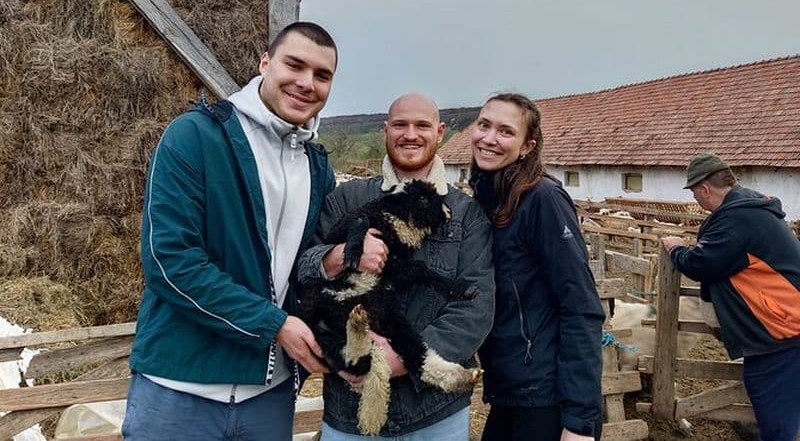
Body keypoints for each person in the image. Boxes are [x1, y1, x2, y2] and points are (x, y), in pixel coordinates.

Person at [123, 22, 339, 441]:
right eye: (294, 65)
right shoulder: (195, 136)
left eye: (322, 75)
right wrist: (274, 324)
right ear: (264, 63)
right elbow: (171, 263)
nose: (306, 83)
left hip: (269, 397)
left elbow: (308, 266)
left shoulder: (317, 165)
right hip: (180, 388)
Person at [298, 93, 495, 440]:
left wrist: (399, 357)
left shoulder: (465, 214)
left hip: (435, 414)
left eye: (422, 125)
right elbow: (303, 271)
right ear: (385, 130)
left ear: (440, 132)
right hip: (350, 408)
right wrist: (342, 254)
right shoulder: (348, 199)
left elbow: (475, 306)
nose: (411, 134)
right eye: (400, 125)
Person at [468, 93, 605, 441]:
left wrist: (579, 421)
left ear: (527, 146)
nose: (489, 138)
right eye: (484, 125)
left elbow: (580, 305)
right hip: (509, 389)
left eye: (505, 131)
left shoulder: (542, 199)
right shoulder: (486, 197)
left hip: (545, 396)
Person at [661, 153, 800, 441]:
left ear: (704, 189)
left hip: (781, 332)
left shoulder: (737, 220)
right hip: (782, 326)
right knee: (777, 405)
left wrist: (676, 248)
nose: (697, 200)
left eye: (695, 193)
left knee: (774, 414)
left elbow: (701, 264)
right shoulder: (748, 208)